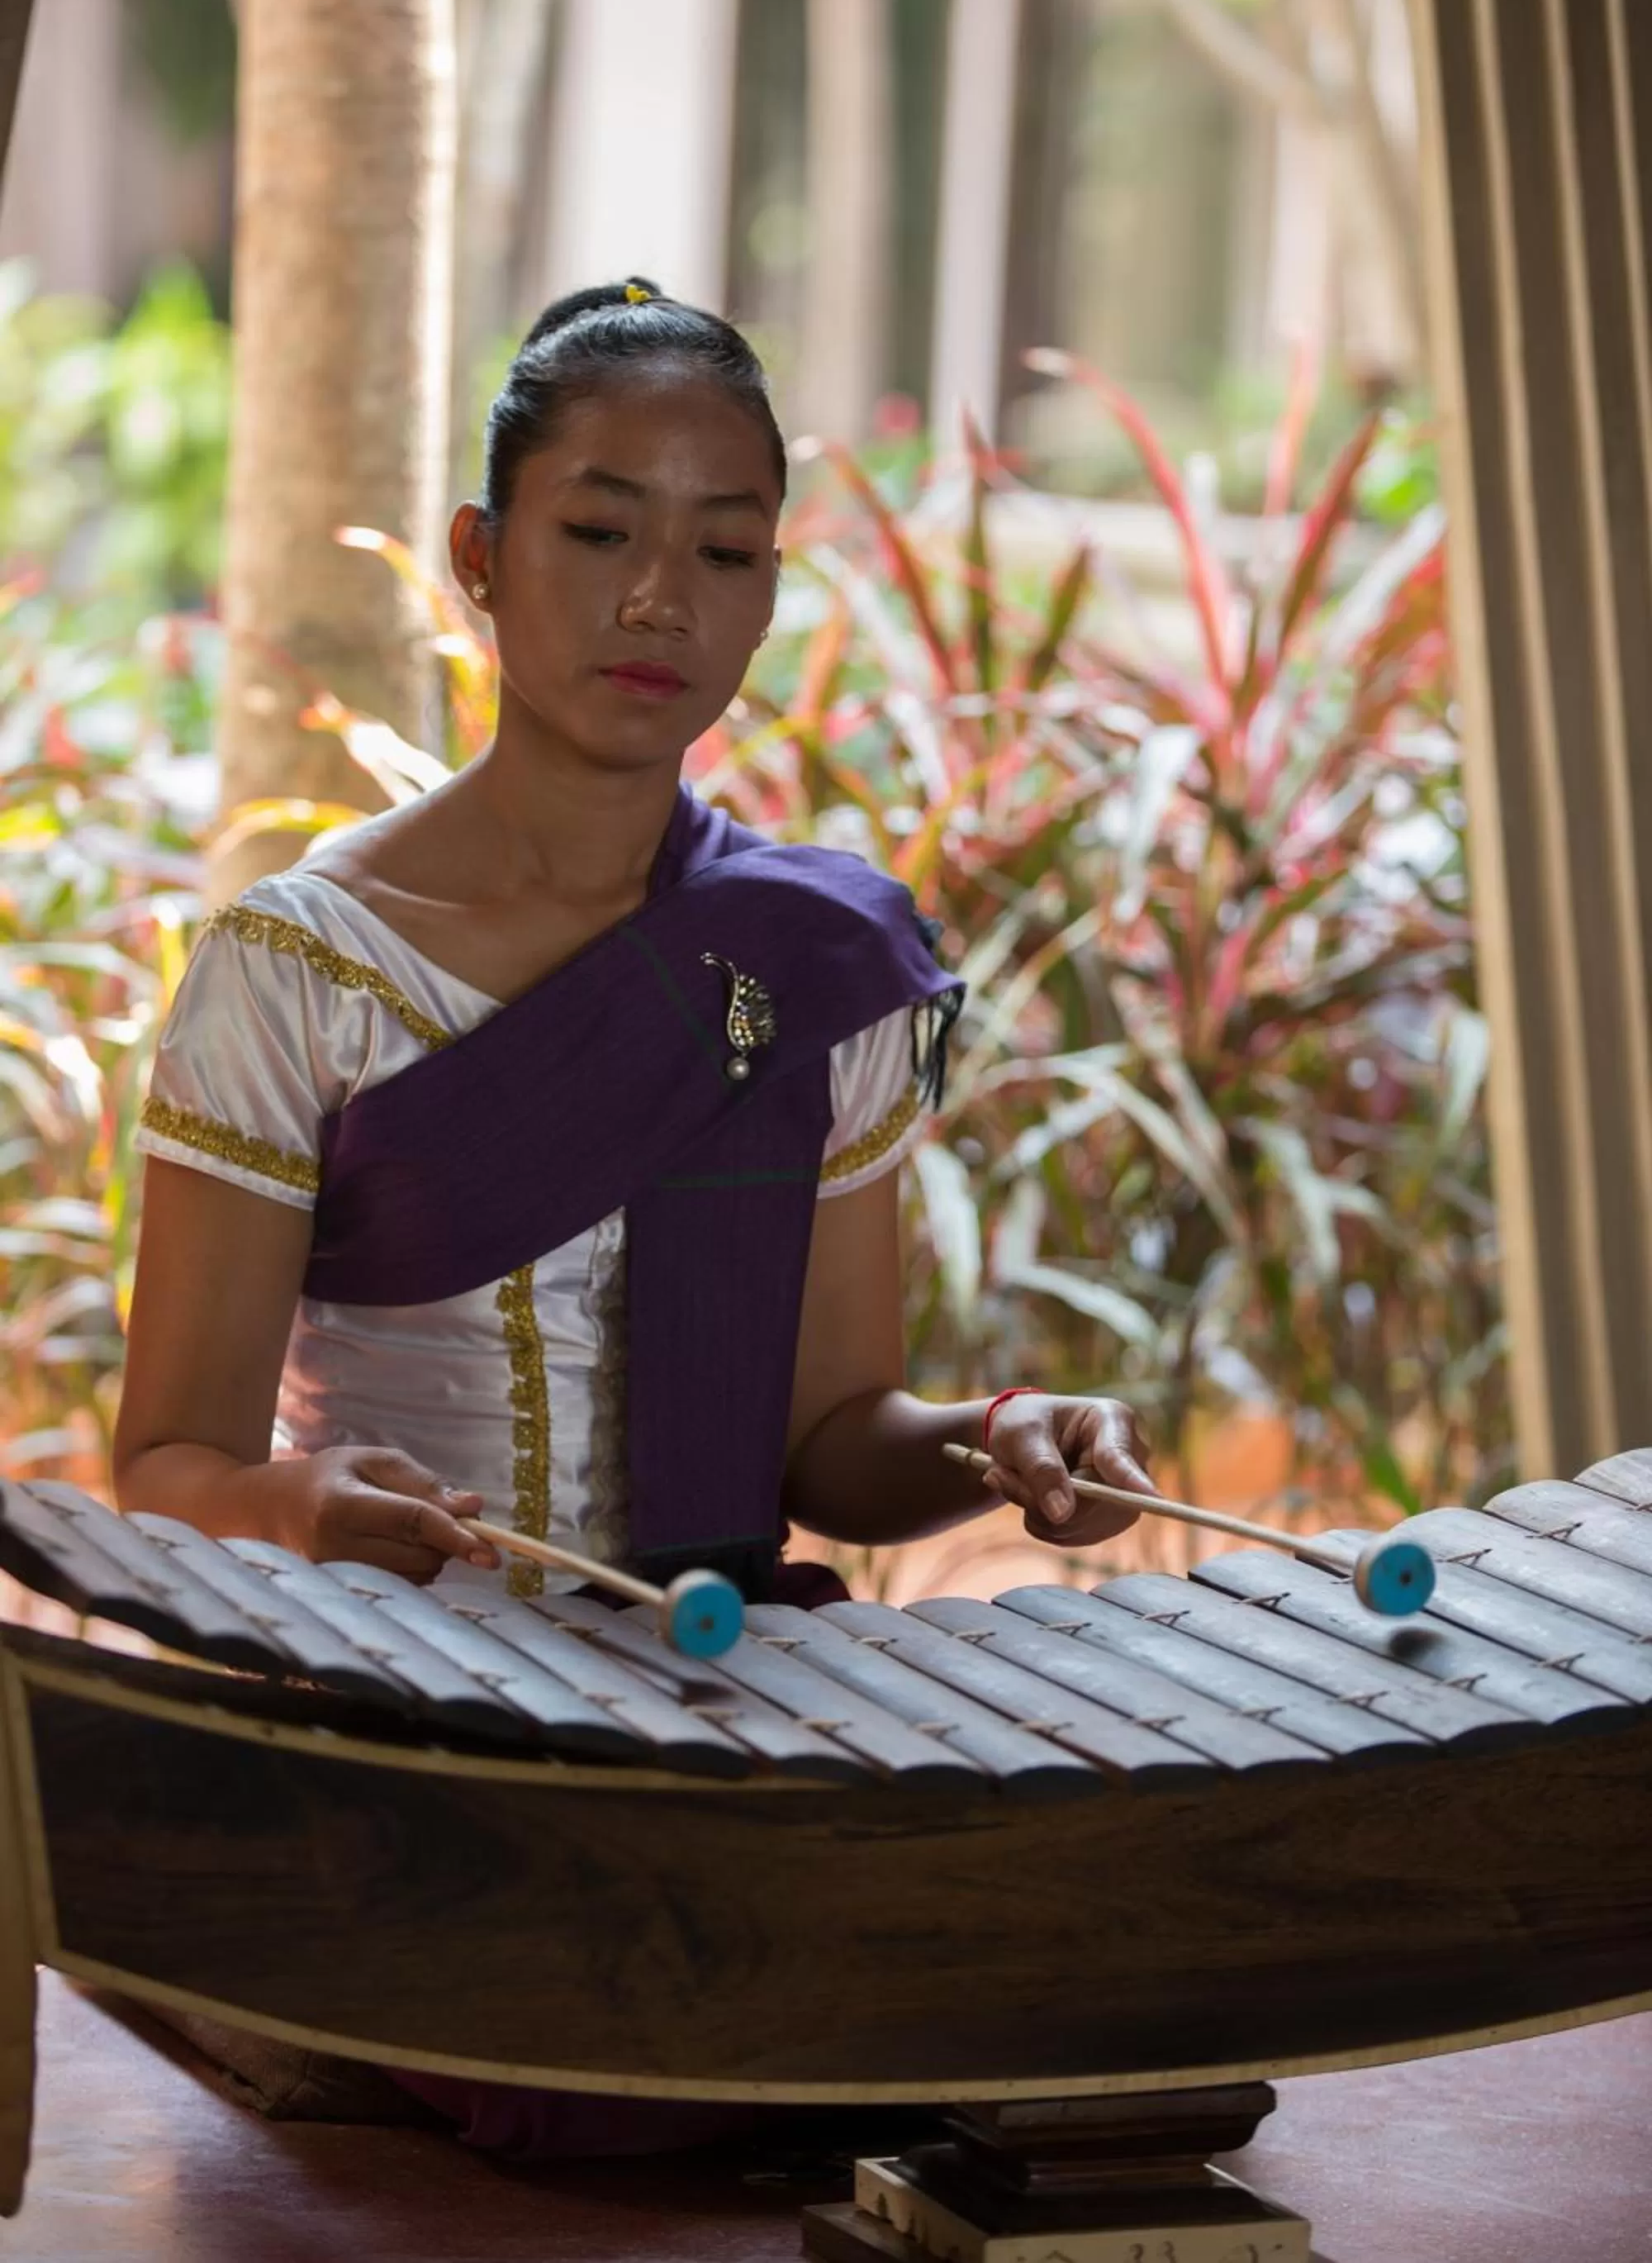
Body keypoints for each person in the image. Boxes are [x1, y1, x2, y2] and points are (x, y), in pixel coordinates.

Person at [113, 278, 1156, 2158]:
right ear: (478, 557)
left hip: (722, 1693)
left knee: (1094, 1997)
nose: (660, 599)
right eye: (599, 531)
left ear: (770, 587)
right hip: (410, 1703)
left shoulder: (807, 960)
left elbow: (834, 1452)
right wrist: (287, 1510)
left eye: (724, 549)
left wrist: (1000, 1442)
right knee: (647, 2077)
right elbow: (169, 1459)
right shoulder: (296, 973)